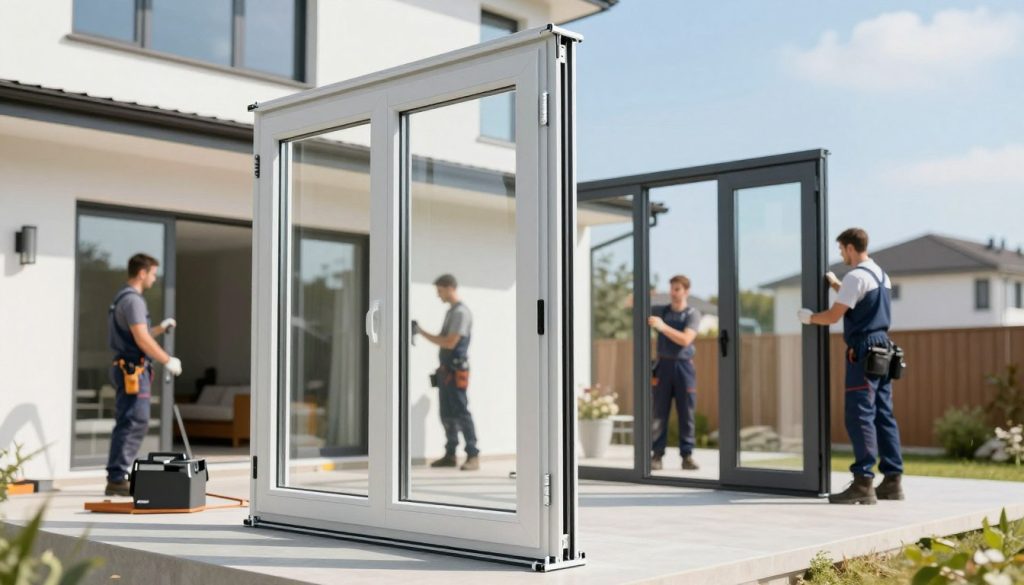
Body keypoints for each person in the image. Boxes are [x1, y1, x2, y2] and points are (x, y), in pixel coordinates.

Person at [798, 227, 905, 504]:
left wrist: (809, 318)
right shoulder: (880, 275)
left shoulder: (856, 276)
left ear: (849, 248)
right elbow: (857, 301)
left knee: (860, 415)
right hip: (884, 349)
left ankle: (863, 482)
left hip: (864, 350)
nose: (841, 255)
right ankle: (893, 481)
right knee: (883, 415)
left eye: (841, 250)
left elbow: (834, 316)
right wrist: (836, 284)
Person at [105, 253, 183, 496]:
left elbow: (142, 334)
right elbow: (141, 339)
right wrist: (167, 360)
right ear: (142, 273)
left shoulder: (123, 297)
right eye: (153, 274)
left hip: (128, 367)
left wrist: (160, 328)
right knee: (134, 421)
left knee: (129, 420)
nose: (154, 278)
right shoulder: (133, 301)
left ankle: (117, 475)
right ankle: (117, 477)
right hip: (132, 370)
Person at [412, 274, 480, 471]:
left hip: (456, 371)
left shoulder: (460, 313)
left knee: (461, 412)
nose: (438, 295)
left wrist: (421, 332)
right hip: (446, 371)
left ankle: (473, 455)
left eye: (440, 291)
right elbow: (444, 339)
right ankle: (450, 454)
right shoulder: (451, 312)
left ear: (450, 288)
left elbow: (449, 342)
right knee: (447, 413)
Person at [648, 275, 702, 471]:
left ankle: (687, 456)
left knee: (686, 413)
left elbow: (686, 339)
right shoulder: (661, 311)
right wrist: (646, 295)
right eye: (671, 288)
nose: (673, 292)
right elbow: (630, 304)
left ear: (686, 291)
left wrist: (662, 327)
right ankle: (657, 455)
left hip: (684, 368)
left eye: (677, 289)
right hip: (663, 366)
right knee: (659, 413)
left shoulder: (692, 314)